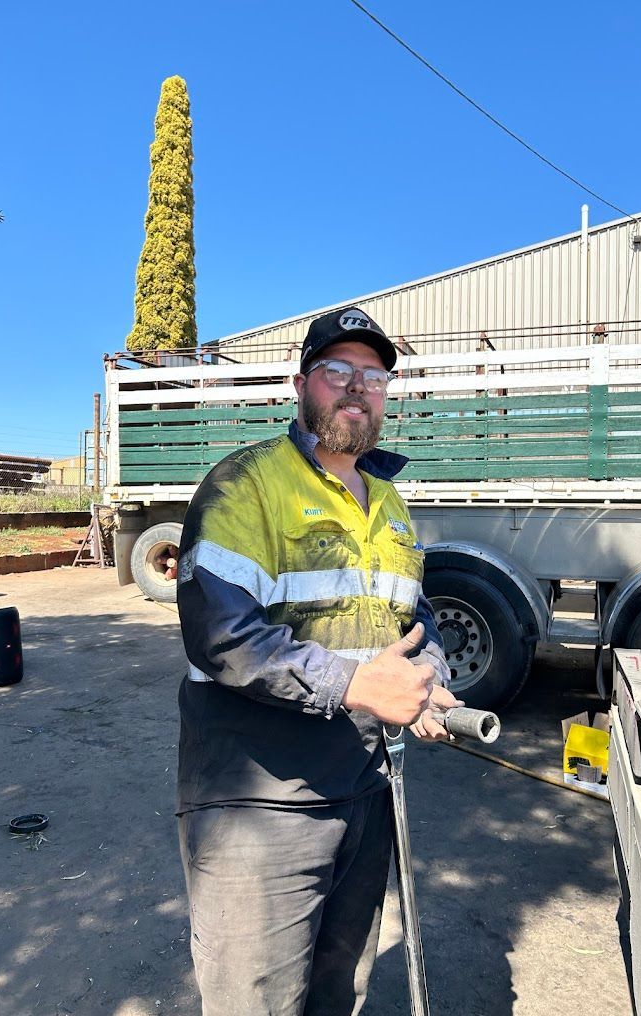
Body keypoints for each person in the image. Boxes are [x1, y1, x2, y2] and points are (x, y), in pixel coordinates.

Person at [176, 305, 459, 1016]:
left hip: (363, 790)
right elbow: (219, 634)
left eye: (374, 374)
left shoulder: (391, 501)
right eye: (338, 371)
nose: (358, 387)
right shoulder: (247, 484)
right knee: (258, 1000)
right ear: (301, 384)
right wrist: (359, 681)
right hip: (261, 800)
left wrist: (432, 680)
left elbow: (412, 616)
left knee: (338, 992)